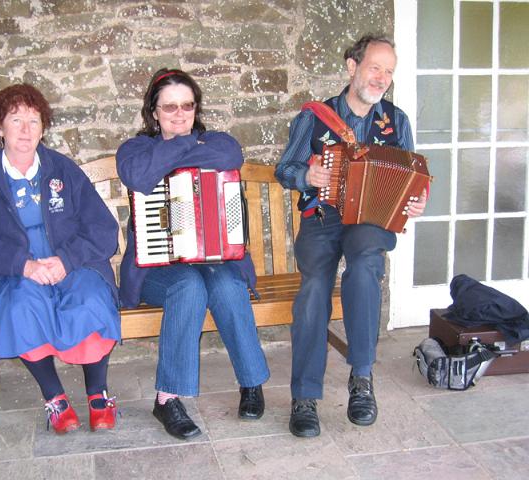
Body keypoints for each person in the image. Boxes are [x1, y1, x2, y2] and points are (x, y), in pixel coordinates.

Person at [275, 33, 428, 437]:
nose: (382, 78)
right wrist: (307, 175)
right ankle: (304, 396)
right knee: (314, 288)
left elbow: (412, 178)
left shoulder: (396, 121)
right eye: (375, 67)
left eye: (389, 72)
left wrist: (415, 202)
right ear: (352, 66)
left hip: (369, 220)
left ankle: (361, 378)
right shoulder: (315, 117)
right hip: (322, 216)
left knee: (364, 267)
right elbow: (284, 169)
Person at [0, 84, 121, 434]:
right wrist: (23, 265)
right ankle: (55, 398)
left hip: (72, 265)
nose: (26, 130)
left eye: (34, 120)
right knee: (21, 308)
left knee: (91, 299)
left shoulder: (63, 170)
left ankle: (98, 394)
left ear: (43, 127)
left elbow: (103, 229)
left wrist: (66, 260)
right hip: (16, 273)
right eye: (16, 120)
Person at [116, 68, 269, 440]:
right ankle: (167, 398)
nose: (179, 114)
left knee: (227, 284)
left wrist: (178, 148)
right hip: (156, 269)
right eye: (169, 107)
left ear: (196, 108)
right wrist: (186, 145)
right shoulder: (136, 150)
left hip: (213, 261)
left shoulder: (217, 141)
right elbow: (138, 176)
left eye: (187, 106)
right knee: (187, 285)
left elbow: (231, 155)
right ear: (153, 112)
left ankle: (251, 383)